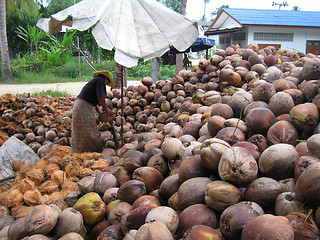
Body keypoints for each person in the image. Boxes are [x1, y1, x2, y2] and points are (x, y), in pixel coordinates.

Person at [71, 70, 115, 153]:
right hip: (84, 109)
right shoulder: (100, 81)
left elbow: (94, 101)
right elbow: (100, 98)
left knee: (81, 131)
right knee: (88, 131)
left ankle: (78, 151)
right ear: (106, 79)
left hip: (80, 107)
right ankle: (90, 152)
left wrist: (100, 112)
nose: (106, 85)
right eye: (107, 83)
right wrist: (106, 109)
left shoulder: (95, 81)